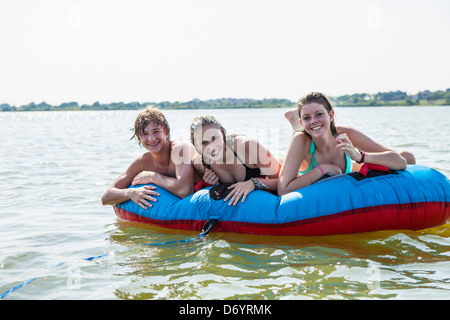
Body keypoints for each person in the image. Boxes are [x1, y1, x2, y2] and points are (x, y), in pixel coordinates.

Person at [278, 92, 414, 196]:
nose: (313, 120)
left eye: (319, 114)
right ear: (303, 122)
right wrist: (322, 169)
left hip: (341, 156)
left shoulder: (345, 133)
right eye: (306, 117)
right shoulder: (300, 139)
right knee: (308, 131)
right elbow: (283, 191)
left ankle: (299, 117)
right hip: (306, 152)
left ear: (331, 116)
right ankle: (294, 120)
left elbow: (400, 162)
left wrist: (359, 155)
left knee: (408, 157)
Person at [102, 107, 195, 209]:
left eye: (156, 131)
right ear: (139, 138)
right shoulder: (142, 162)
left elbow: (186, 191)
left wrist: (153, 176)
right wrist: (130, 192)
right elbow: (106, 197)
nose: (151, 138)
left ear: (166, 132)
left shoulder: (180, 149)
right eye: (145, 134)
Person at [190, 114, 281, 206]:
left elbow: (284, 182)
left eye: (215, 138)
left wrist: (254, 183)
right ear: (196, 145)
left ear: (222, 133)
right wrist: (213, 184)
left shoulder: (248, 146)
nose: (212, 147)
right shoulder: (200, 164)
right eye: (204, 142)